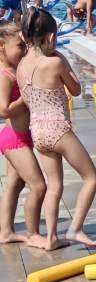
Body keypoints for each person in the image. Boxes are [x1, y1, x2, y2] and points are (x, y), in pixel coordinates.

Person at [17, 9, 96, 248]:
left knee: (54, 185)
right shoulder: (55, 62)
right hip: (59, 130)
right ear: (52, 37)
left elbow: (27, 98)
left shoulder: (21, 65)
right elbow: (76, 90)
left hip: (38, 131)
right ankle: (76, 229)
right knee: (92, 178)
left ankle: (51, 238)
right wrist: (64, 61)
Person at [0, 21, 48, 247]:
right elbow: (3, 110)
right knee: (38, 186)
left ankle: (5, 232)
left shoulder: (14, 71)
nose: (24, 50)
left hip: (20, 137)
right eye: (20, 46)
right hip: (14, 140)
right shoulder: (4, 75)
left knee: (14, 184)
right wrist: (25, 97)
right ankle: (33, 234)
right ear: (2, 45)